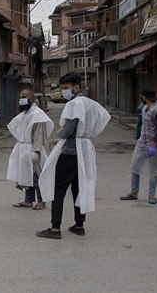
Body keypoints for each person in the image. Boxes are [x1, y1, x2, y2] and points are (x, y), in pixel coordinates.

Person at [37, 72, 111, 239]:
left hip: (70, 151)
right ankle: (79, 225)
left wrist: (60, 134)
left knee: (59, 189)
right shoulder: (90, 103)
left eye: (65, 88)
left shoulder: (74, 104)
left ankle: (55, 228)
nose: (63, 91)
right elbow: (104, 117)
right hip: (85, 149)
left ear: (76, 87)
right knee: (79, 188)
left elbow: (69, 129)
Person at [7, 89, 54, 210]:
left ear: (31, 99)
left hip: (32, 149)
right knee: (26, 175)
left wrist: (36, 151)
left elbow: (39, 134)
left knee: (36, 176)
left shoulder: (38, 114)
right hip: (22, 148)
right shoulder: (25, 113)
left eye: (24, 97)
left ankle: (42, 200)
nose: (21, 99)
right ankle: (28, 200)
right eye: (20, 97)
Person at [120, 87, 157, 205]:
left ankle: (152, 194)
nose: (141, 98)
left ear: (144, 97)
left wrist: (154, 144)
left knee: (153, 169)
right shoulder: (145, 108)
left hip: (155, 143)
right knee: (135, 166)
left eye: (141, 96)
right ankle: (133, 192)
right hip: (142, 141)